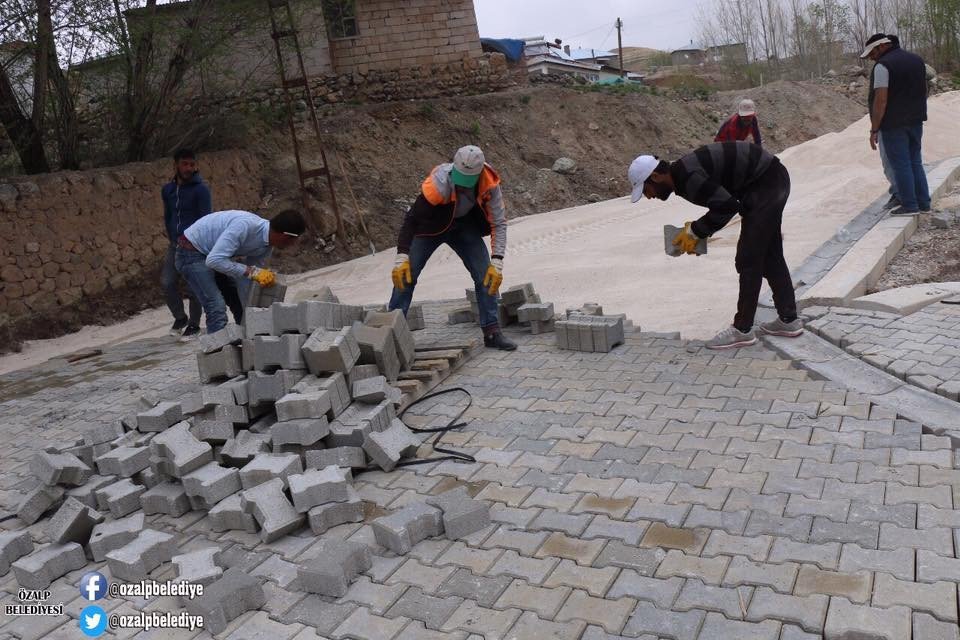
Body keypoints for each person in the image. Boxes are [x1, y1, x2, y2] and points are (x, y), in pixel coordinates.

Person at [628, 141, 802, 350]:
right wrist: (698, 233)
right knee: (770, 256)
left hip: (765, 184)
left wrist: (695, 232)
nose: (649, 196)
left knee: (748, 259)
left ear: (656, 177)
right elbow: (723, 200)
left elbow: (727, 206)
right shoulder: (683, 174)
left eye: (646, 190)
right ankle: (789, 320)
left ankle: (742, 330)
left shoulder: (687, 178)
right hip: (768, 181)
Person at [389, 145, 515, 350]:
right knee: (406, 273)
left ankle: (492, 332)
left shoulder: (489, 183)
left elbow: (498, 222)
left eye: (468, 179)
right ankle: (391, 334)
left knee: (486, 275)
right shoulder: (439, 182)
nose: (463, 184)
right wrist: (402, 254)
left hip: (464, 225)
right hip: (430, 226)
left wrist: (498, 259)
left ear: (480, 172)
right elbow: (411, 219)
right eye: (460, 177)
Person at [175, 209, 304, 334]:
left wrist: (253, 314)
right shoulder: (245, 226)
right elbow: (214, 261)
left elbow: (248, 280)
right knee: (216, 306)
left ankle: (247, 344)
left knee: (238, 302)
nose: (293, 245)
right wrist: (251, 272)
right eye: (294, 241)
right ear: (286, 236)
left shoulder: (266, 246)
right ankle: (218, 353)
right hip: (190, 252)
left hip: (214, 253)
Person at [862, 32, 931, 216]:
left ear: (882, 46)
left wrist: (874, 128)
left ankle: (910, 206)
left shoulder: (883, 66)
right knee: (915, 161)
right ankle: (924, 203)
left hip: (893, 124)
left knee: (901, 165)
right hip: (916, 121)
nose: (871, 57)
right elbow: (924, 90)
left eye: (872, 53)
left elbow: (880, 100)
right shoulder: (917, 60)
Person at [161, 148, 210, 337]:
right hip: (175, 244)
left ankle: (194, 323)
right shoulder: (168, 190)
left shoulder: (201, 190)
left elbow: (206, 219)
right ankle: (180, 316)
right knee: (167, 282)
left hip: (195, 245)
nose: (189, 168)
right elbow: (168, 215)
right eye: (184, 164)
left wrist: (199, 243)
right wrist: (171, 235)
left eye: (192, 164)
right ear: (176, 165)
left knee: (193, 286)